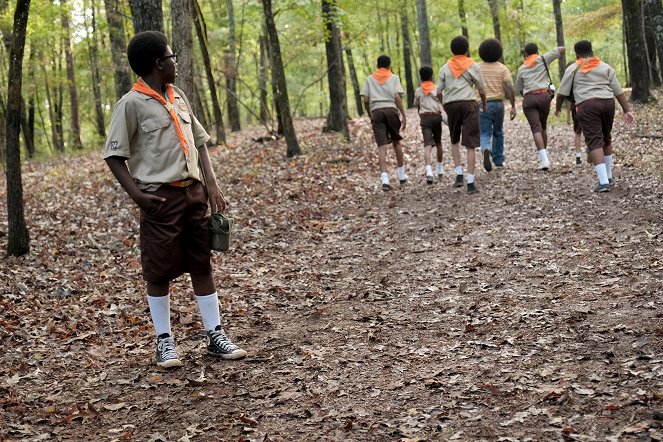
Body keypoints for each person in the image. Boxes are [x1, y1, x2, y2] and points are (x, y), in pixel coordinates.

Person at [103, 31, 247, 368]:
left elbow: (199, 141)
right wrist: (139, 196)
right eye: (171, 58)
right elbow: (113, 155)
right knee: (158, 270)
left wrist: (211, 185)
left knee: (201, 262)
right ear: (158, 64)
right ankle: (164, 341)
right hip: (159, 200)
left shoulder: (177, 95)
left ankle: (215, 335)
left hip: (193, 194)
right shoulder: (131, 104)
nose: (175, 63)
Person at [554, 39, 635, 192]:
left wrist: (558, 108)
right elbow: (618, 90)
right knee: (606, 138)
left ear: (577, 54)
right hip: (608, 103)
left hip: (587, 105)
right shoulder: (605, 67)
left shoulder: (572, 69)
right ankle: (609, 176)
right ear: (591, 52)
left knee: (594, 142)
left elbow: (562, 93)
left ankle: (603, 182)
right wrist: (626, 110)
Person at [437, 35, 486, 194]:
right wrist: (483, 104)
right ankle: (470, 183)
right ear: (467, 50)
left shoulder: (445, 68)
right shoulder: (473, 65)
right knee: (471, 143)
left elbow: (438, 91)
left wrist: (444, 103)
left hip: (451, 105)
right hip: (468, 104)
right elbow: (481, 90)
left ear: (452, 50)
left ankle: (459, 175)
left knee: (454, 139)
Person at [515, 43, 565, 170]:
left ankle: (544, 160)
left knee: (535, 128)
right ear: (537, 51)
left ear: (525, 54)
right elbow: (561, 49)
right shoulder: (544, 59)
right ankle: (544, 158)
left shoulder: (521, 68)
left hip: (529, 98)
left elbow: (518, 88)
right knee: (543, 127)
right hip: (544, 97)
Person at [361, 55, 408, 191]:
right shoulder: (394, 78)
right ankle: (401, 176)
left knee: (382, 147)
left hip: (377, 112)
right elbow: (397, 96)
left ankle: (385, 180)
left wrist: (370, 113)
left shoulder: (369, 79)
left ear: (377, 66)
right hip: (391, 110)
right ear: (389, 66)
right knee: (396, 142)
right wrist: (403, 114)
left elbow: (365, 100)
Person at [476, 38, 516, 171]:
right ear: (499, 53)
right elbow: (508, 87)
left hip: (482, 104)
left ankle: (485, 148)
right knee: (498, 131)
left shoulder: (477, 68)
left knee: (484, 132)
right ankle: (498, 159)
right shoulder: (502, 68)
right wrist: (513, 106)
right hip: (498, 104)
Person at [413, 66, 445, 184]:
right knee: (438, 143)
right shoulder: (437, 89)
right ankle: (440, 169)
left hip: (425, 118)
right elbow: (442, 101)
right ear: (432, 76)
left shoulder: (418, 91)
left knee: (427, 145)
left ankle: (429, 171)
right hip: (436, 117)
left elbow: (417, 105)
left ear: (420, 77)